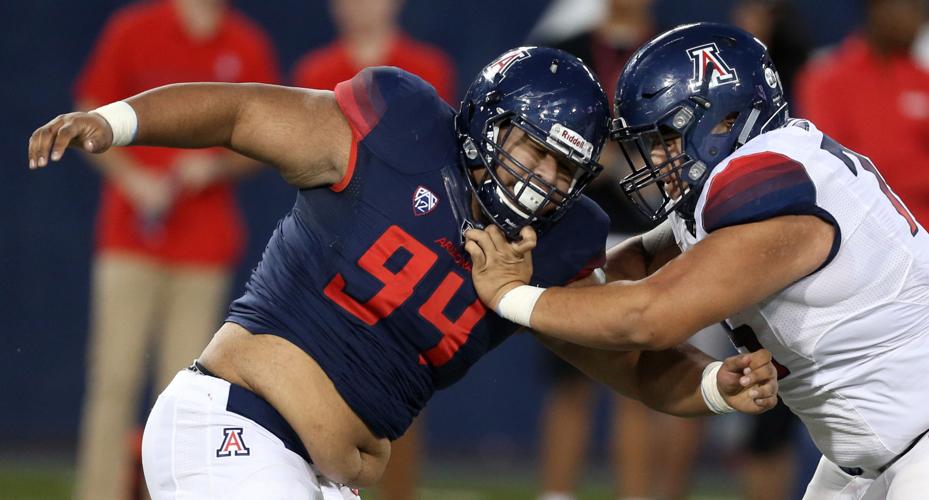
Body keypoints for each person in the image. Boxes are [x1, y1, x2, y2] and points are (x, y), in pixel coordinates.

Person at [29, 47, 778, 499]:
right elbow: (238, 114)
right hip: (235, 422)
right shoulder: (397, 133)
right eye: (532, 148)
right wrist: (120, 122)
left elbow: (631, 362)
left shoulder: (549, 248)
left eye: (564, 167)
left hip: (325, 472)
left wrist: (715, 386)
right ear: (488, 120)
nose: (542, 177)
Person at [466, 23, 929, 500]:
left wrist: (511, 295)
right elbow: (634, 266)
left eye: (667, 135)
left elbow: (649, 317)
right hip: (871, 459)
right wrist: (546, 279)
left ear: (726, 120)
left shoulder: (769, 183)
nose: (656, 157)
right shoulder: (764, 174)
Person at [70, 1, 279, 498]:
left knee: (185, 392)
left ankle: (175, 491)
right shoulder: (133, 29)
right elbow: (90, 106)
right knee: (113, 378)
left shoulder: (245, 44)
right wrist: (133, 179)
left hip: (202, 245)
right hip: (129, 236)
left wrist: (215, 166)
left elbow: (271, 138)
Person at [291, 2, 457, 496]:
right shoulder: (315, 70)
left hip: (401, 255)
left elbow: (439, 164)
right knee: (309, 393)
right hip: (329, 246)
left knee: (398, 399)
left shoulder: (428, 67)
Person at [796, 0, 929, 226]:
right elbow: (833, 165)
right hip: (864, 229)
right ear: (877, 8)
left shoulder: (921, 78)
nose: (919, 21)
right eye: (911, 8)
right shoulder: (827, 78)